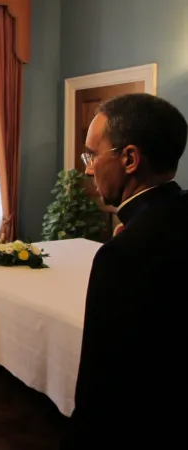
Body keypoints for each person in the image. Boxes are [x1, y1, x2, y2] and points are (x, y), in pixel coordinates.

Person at [62, 93, 188, 449]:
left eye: (92, 154)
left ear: (130, 158)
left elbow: (104, 386)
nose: (87, 168)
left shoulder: (124, 254)